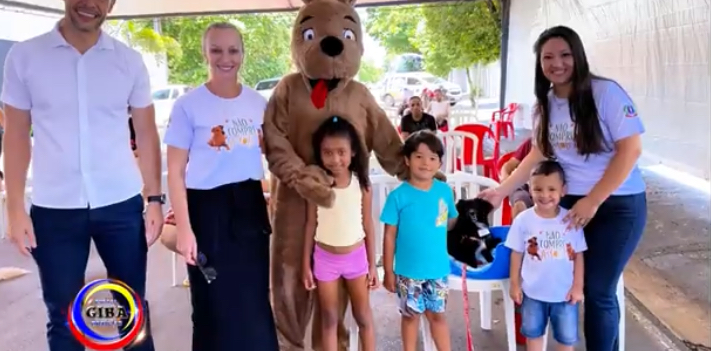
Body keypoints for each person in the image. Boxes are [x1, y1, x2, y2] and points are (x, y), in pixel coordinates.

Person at [1, 0, 163, 349]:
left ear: (112, 3)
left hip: (121, 203)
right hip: (54, 207)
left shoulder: (128, 61)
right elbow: (16, 134)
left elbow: (147, 133)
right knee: (62, 316)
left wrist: (154, 199)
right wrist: (14, 207)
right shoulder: (25, 57)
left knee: (131, 308)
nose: (89, 3)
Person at [479, 25, 646, 351]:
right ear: (540, 64)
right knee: (566, 284)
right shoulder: (545, 105)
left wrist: (594, 200)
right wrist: (501, 191)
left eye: (565, 54)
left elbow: (631, 149)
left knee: (598, 290)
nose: (557, 63)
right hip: (568, 205)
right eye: (548, 57)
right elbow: (538, 153)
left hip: (618, 205)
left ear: (578, 56)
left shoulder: (606, 93)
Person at [163, 22, 277, 351]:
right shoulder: (187, 105)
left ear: (242, 54)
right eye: (216, 50)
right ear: (205, 54)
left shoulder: (258, 103)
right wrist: (184, 229)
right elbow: (174, 171)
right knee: (213, 304)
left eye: (232, 50)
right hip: (205, 212)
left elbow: (274, 154)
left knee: (253, 301)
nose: (225, 58)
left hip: (249, 209)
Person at [302, 116, 378, 351]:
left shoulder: (362, 185)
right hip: (324, 261)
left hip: (356, 260)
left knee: (363, 317)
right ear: (319, 153)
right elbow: (309, 225)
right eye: (328, 153)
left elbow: (368, 224)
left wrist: (373, 265)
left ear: (353, 151)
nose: (335, 159)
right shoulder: (317, 186)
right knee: (329, 320)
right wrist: (307, 264)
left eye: (341, 152)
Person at [381, 131, 456, 351]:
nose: (426, 163)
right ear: (407, 159)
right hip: (407, 272)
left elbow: (450, 222)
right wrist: (388, 270)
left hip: (438, 269)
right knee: (410, 317)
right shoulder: (398, 196)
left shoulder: (444, 192)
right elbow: (389, 235)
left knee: (438, 317)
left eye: (433, 158)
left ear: (440, 162)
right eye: (419, 156)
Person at [505, 160, 586, 351]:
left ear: (563, 190)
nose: (545, 195)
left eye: (551, 189)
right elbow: (516, 253)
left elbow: (578, 256)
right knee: (533, 336)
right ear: (530, 190)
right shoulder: (523, 220)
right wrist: (515, 284)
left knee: (566, 340)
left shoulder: (570, 220)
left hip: (565, 295)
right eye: (538, 189)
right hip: (532, 293)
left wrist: (577, 287)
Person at [500, 137, 533, 219]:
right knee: (520, 204)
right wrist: (507, 182)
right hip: (523, 184)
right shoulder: (531, 142)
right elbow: (508, 166)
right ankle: (518, 229)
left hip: (548, 188)